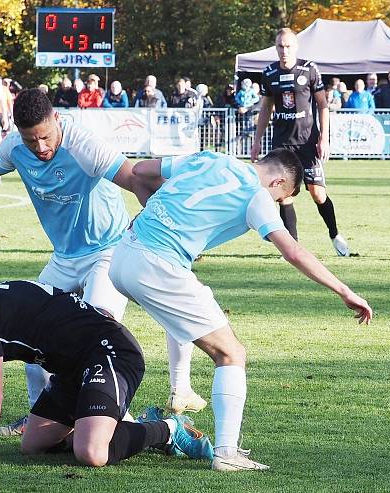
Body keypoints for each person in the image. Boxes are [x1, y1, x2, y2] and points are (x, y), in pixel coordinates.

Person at [0, 88, 201, 435]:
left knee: (95, 334)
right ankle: (41, 423)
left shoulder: (84, 145)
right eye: (30, 141)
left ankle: (125, 423)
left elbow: (133, 178)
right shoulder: (15, 147)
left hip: (107, 251)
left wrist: (165, 228)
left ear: (57, 119)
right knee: (33, 354)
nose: (39, 148)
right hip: (64, 258)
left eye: (44, 137)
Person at [109, 149, 373, 471]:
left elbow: (140, 170)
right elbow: (292, 250)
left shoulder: (212, 158)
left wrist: (158, 212)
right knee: (232, 353)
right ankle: (227, 454)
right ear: (278, 181)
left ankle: (175, 394)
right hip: (155, 265)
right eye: (281, 198)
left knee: (188, 307)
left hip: (122, 254)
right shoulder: (256, 196)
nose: (275, 204)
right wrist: (345, 291)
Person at [0, 280, 213, 471]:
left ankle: (168, 429)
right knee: (33, 445)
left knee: (91, 453)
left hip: (109, 353)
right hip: (73, 369)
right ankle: (103, 426)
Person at [251, 28, 350, 257]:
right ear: (276, 48)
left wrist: (324, 137)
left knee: (318, 194)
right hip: (282, 144)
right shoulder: (269, 73)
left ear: (296, 47)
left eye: (288, 46)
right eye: (280, 46)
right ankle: (292, 246)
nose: (284, 51)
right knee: (284, 194)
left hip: (307, 142)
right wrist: (257, 141)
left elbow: (323, 105)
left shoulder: (310, 69)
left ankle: (334, 234)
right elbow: (266, 108)